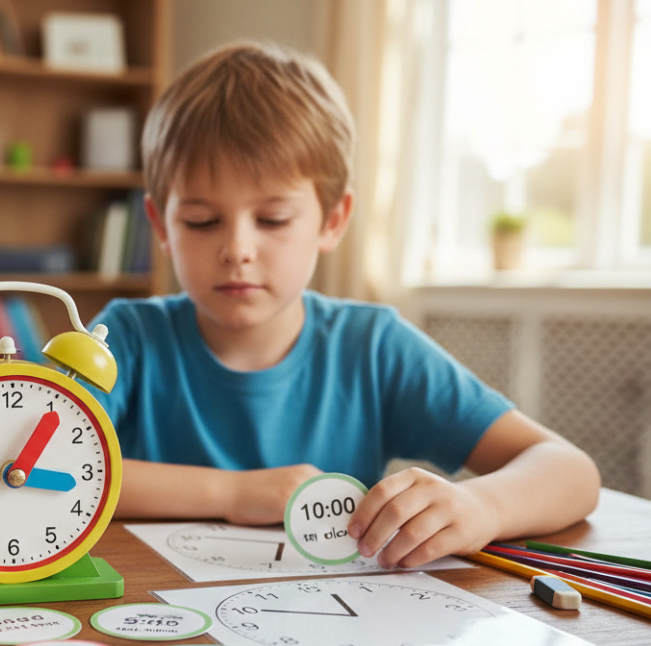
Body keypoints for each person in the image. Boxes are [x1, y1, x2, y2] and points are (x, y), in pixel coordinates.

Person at [89, 42, 600, 568]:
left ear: (332, 221)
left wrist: (481, 506)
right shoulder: (123, 339)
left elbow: (571, 471)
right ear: (161, 225)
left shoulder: (373, 347)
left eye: (272, 219)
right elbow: (42, 465)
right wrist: (232, 493)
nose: (237, 249)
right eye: (202, 220)